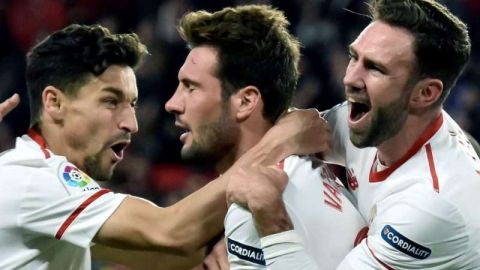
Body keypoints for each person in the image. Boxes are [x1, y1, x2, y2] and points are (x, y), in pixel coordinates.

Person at [0, 23, 330, 270]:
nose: (132, 123)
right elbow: (170, 232)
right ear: (55, 103)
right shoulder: (36, 179)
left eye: (132, 104)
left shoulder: (30, 182)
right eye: (111, 101)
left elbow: (162, 253)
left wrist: (223, 247)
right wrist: (280, 141)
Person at [228, 0, 480, 269]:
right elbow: (296, 129)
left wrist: (272, 217)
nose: (349, 79)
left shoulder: (431, 204)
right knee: (284, 171)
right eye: (354, 57)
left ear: (425, 93)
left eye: (375, 68)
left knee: (260, 208)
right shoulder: (377, 119)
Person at [166, 5, 367, 270]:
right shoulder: (307, 174)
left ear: (246, 102)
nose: (172, 104)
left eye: (191, 88)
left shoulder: (255, 206)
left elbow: (163, 232)